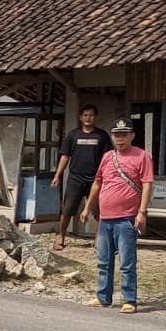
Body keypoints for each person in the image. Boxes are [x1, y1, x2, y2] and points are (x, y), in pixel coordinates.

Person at [80, 117, 154, 313]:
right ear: (112, 137)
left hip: (127, 218)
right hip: (105, 218)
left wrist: (142, 212)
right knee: (103, 261)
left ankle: (129, 299)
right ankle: (103, 297)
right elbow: (97, 183)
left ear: (132, 136)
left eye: (124, 135)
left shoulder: (142, 156)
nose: (120, 139)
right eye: (116, 135)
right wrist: (88, 208)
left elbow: (147, 184)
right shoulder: (107, 157)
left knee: (127, 262)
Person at [50, 104, 112, 250]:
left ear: (95, 117)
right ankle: (61, 237)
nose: (88, 118)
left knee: (98, 211)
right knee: (67, 210)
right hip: (75, 179)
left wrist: (107, 177)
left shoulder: (102, 136)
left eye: (91, 115)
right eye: (85, 115)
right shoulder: (73, 135)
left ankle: (98, 240)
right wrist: (57, 175)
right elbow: (65, 156)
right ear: (80, 118)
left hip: (96, 180)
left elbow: (108, 158)